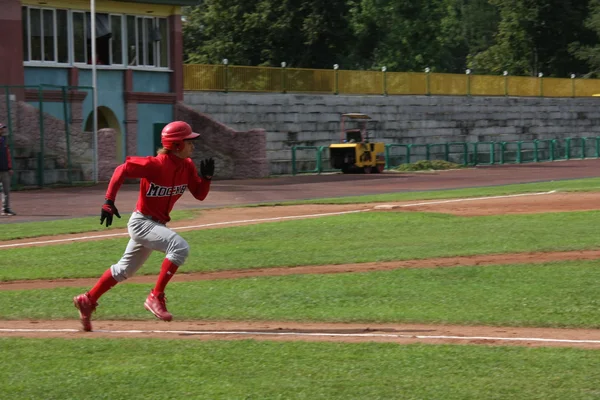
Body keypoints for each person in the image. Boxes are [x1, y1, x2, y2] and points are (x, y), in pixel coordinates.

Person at [73, 121, 215, 332]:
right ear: (176, 145)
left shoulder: (187, 166)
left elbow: (200, 195)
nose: (192, 146)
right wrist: (109, 201)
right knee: (179, 247)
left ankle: (88, 299)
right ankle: (155, 296)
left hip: (156, 225)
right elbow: (122, 169)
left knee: (124, 270)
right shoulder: (155, 164)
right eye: (189, 142)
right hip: (141, 223)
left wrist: (206, 179)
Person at [0, 123, 16, 216]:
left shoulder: (4, 141)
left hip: (5, 170)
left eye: (3, 129)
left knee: (6, 191)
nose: (2, 130)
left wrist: (9, 167)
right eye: (1, 129)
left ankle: (6, 208)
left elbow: (8, 156)